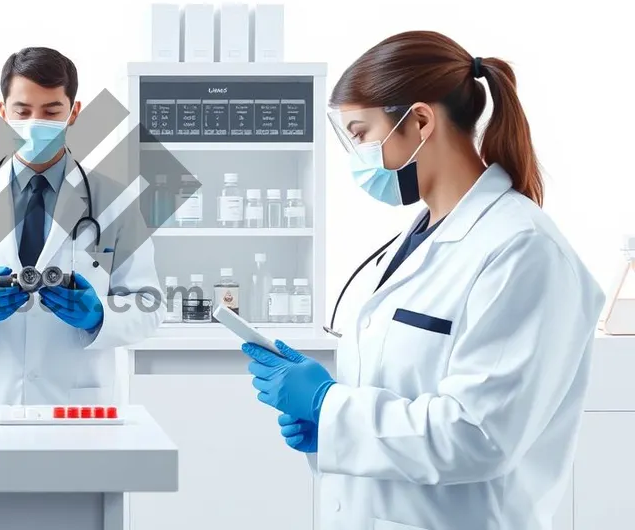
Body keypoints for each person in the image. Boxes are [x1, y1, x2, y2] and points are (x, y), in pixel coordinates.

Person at [241, 31, 604, 530]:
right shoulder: (411, 242)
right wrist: (327, 427)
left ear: (419, 120)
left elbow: (479, 435)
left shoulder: (524, 250)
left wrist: (331, 405)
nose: (357, 155)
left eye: (362, 133)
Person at [0, 47, 163, 405]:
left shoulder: (116, 200)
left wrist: (100, 315)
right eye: (23, 111)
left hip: (75, 399)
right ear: (2, 112)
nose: (35, 122)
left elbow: (149, 304)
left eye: (51, 111)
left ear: (74, 113)